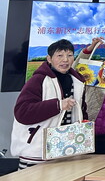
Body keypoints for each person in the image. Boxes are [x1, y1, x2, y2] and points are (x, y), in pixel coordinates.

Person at [11, 39, 88, 169]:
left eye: (69, 55)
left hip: (67, 150)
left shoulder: (78, 81)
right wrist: (57, 105)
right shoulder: (38, 80)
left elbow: (82, 109)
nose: (65, 60)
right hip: (37, 152)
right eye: (60, 55)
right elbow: (22, 112)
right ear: (49, 59)